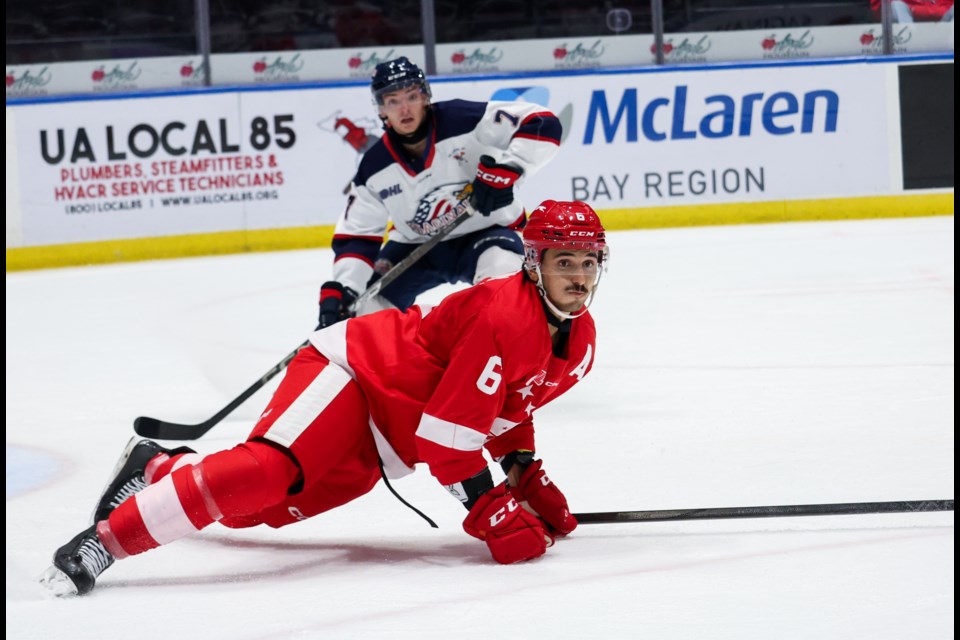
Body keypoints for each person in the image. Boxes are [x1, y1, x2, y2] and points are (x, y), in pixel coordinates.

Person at [41, 200, 609, 597]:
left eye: (588, 264)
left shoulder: (577, 342)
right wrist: (488, 508)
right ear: (534, 264)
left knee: (255, 511)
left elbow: (505, 409)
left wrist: (523, 474)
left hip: (390, 439)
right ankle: (102, 544)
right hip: (355, 375)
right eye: (565, 263)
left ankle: (157, 464)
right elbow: (447, 441)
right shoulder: (501, 314)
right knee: (266, 471)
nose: (579, 278)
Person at [317, 56, 562, 329]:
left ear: (425, 96)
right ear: (381, 110)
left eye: (411, 96)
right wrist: (344, 287)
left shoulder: (464, 120)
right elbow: (357, 236)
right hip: (418, 247)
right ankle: (392, 368)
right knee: (363, 310)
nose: (404, 109)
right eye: (393, 101)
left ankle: (506, 356)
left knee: (504, 286)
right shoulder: (374, 166)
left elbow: (542, 123)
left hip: (488, 232)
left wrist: (509, 168)